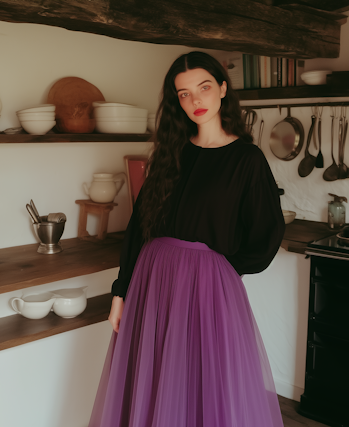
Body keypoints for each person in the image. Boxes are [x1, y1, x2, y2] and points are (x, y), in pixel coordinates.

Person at [89, 51, 286, 427]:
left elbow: (267, 233)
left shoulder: (247, 160)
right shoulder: (170, 154)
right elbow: (139, 227)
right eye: (183, 94)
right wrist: (121, 290)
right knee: (153, 381)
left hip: (206, 291)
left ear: (223, 89)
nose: (195, 101)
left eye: (204, 87)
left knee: (200, 384)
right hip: (152, 281)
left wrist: (220, 271)